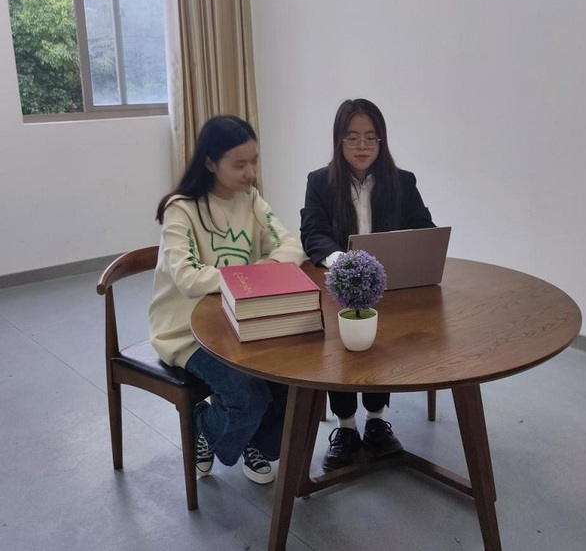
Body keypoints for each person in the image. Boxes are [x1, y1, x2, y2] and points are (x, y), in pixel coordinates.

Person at [149, 115, 306, 484]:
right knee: (248, 397)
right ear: (210, 163)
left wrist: (263, 268)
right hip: (186, 331)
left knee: (293, 377)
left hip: (240, 320)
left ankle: (256, 442)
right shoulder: (180, 209)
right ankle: (202, 427)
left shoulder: (250, 200)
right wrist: (251, 276)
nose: (251, 173)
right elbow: (188, 278)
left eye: (254, 161)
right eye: (239, 164)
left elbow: (291, 246)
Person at [300, 98, 435, 472]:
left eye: (371, 137)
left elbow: (424, 228)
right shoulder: (319, 182)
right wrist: (341, 262)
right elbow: (312, 233)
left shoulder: (403, 182)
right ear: (339, 140)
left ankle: (376, 420)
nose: (362, 146)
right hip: (339, 283)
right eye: (352, 137)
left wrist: (408, 251)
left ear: (381, 141)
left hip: (388, 286)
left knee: (383, 344)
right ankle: (346, 427)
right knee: (337, 345)